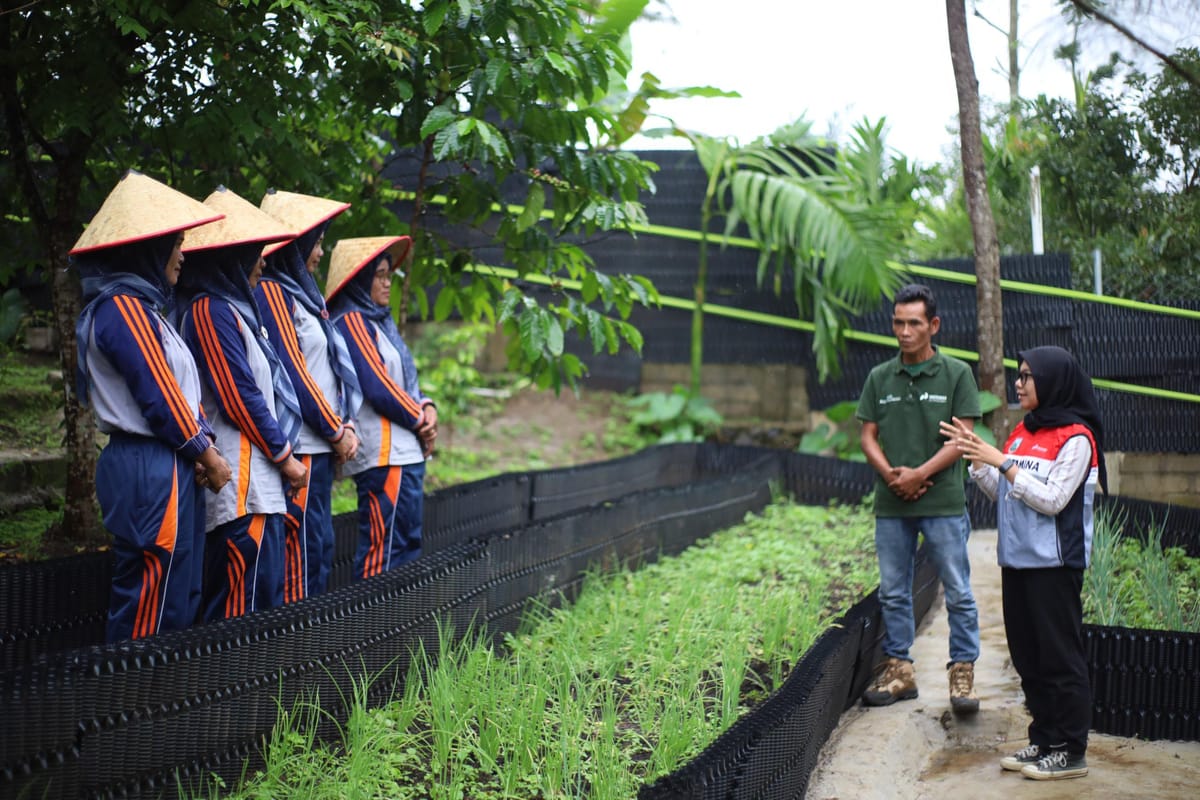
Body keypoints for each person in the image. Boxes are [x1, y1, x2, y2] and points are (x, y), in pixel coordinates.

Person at [71, 169, 233, 641]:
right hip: (147, 464)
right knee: (150, 596)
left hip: (171, 460)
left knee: (179, 592)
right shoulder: (120, 307)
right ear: (148, 249)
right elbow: (160, 393)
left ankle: (163, 705)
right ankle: (126, 707)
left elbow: (183, 392)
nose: (183, 255)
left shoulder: (147, 311)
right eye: (176, 244)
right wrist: (206, 453)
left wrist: (202, 448)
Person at [940, 346, 1104, 781]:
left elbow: (1052, 501)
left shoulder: (1077, 439)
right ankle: (1046, 739)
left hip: (1054, 566)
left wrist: (1005, 463)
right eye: (1019, 375)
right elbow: (1006, 493)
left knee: (1059, 658)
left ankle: (1072, 750)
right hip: (1017, 563)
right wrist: (977, 460)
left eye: (1028, 376)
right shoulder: (1022, 431)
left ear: (1052, 381)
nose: (1019, 382)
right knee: (1028, 658)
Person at [175, 186, 308, 621]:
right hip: (240, 491)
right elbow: (239, 397)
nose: (264, 260)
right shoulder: (210, 311)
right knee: (236, 612)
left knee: (259, 604)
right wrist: (285, 456)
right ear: (231, 259)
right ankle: (226, 690)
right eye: (254, 251)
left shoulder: (235, 313)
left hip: (259, 490)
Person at [856, 283, 982, 712]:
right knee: (893, 590)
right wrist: (892, 476)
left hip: (942, 500)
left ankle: (962, 673)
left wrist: (920, 474)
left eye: (913, 323)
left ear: (934, 325)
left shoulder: (956, 374)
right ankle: (900, 670)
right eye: (898, 322)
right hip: (892, 504)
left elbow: (963, 437)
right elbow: (867, 435)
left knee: (958, 590)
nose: (904, 331)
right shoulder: (880, 377)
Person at [256, 189, 360, 600]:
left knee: (318, 550)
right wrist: (337, 429)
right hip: (302, 447)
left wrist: (342, 425)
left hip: (319, 447)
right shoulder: (273, 293)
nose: (319, 253)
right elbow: (295, 374)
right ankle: (293, 655)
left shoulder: (304, 297)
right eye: (315, 242)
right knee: (300, 557)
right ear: (295, 246)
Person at [325, 236, 437, 579]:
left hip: (404, 453)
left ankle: (399, 625)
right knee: (383, 551)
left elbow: (403, 376)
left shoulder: (378, 322)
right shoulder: (352, 321)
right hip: (384, 455)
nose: (388, 283)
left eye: (390, 275)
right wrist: (420, 418)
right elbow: (378, 385)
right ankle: (372, 629)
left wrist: (427, 406)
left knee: (406, 545)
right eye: (380, 275)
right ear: (360, 278)